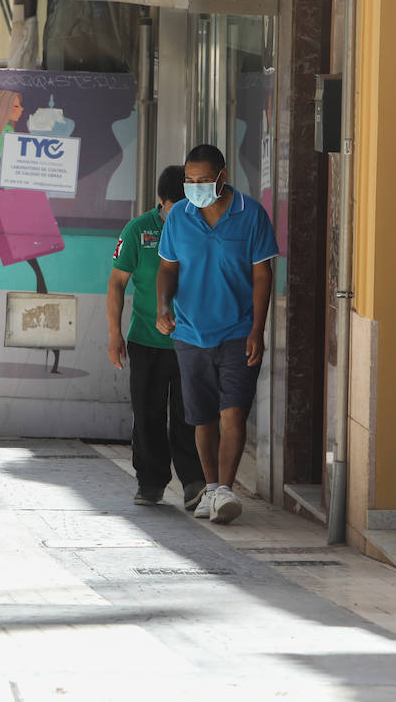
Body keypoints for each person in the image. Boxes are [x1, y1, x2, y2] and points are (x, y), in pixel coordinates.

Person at [157, 144, 278, 525]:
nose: (195, 187)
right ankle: (211, 488)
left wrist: (258, 329)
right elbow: (167, 269)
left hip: (238, 332)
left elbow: (263, 276)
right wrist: (164, 307)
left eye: (203, 180)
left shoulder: (251, 215)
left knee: (234, 413)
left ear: (222, 177)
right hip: (190, 332)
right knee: (202, 418)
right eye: (189, 181)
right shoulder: (179, 216)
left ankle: (225, 489)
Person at [108, 165, 205, 510]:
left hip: (192, 341)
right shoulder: (138, 230)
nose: (180, 215)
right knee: (148, 413)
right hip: (146, 340)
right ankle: (150, 481)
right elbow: (117, 284)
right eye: (173, 208)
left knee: (189, 413)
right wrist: (114, 334)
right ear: (159, 202)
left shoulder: (202, 226)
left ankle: (194, 482)